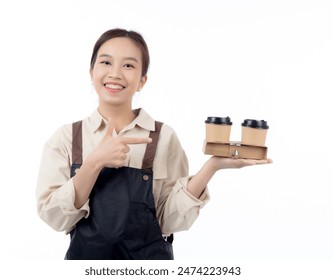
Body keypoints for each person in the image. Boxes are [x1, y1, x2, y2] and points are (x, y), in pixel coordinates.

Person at [36, 28, 272, 260]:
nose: (115, 73)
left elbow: (169, 221)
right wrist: (95, 162)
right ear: (91, 72)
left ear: (142, 80)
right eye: (106, 62)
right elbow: (55, 218)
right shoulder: (67, 138)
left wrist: (212, 166)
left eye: (128, 65)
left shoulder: (163, 137)